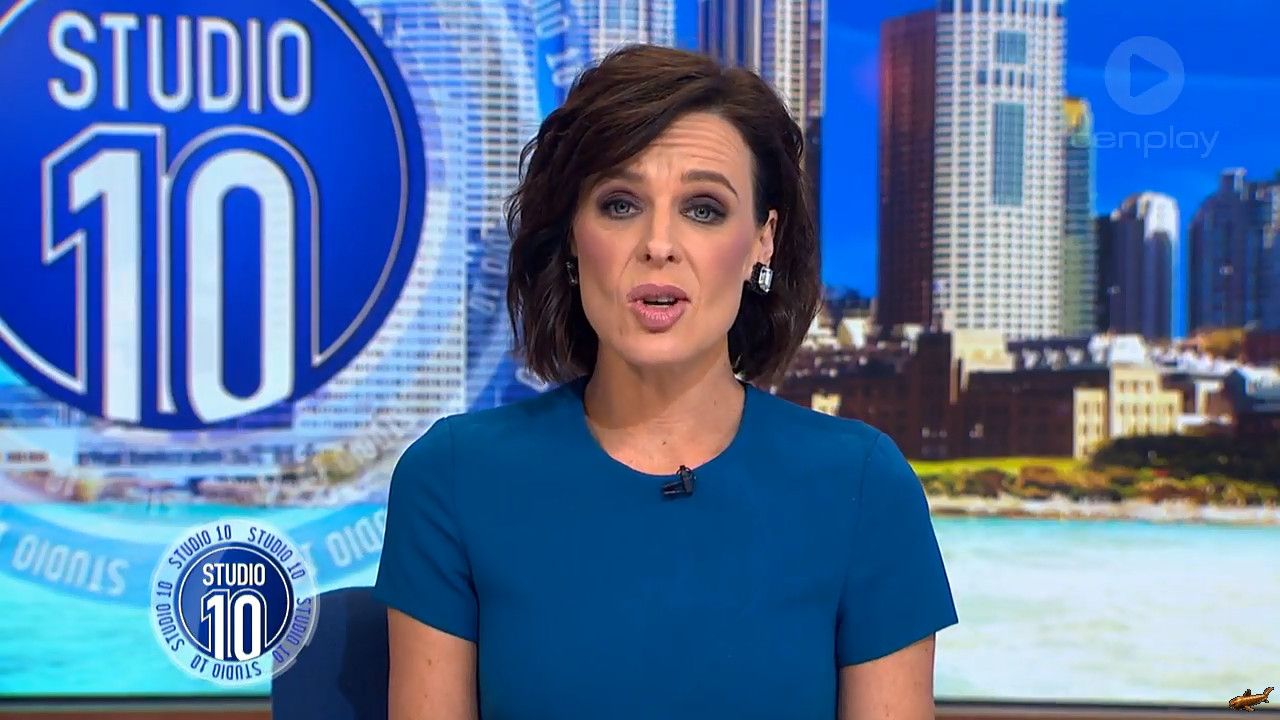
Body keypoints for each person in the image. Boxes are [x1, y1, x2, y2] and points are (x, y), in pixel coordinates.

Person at [375, 43, 958, 719]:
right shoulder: (452, 478)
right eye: (620, 204)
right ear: (572, 236)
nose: (658, 243)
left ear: (763, 240)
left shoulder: (863, 487)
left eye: (703, 208)